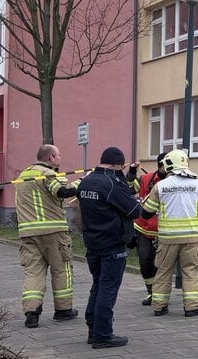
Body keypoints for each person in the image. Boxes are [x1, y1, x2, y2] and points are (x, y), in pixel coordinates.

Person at [77, 147, 143, 348]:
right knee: (108, 288)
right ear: (118, 165)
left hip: (92, 242)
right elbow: (134, 210)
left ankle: (93, 330)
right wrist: (135, 200)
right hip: (112, 243)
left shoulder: (86, 181)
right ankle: (103, 334)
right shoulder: (111, 183)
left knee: (97, 286)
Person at [140, 149, 198, 317]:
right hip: (191, 238)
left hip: (168, 239)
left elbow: (146, 213)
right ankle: (192, 307)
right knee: (190, 271)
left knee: (163, 271)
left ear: (169, 164)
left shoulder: (161, 186)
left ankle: (159, 307)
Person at [16, 144, 81, 328]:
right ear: (51, 158)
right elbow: (63, 192)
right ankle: (63, 310)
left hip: (28, 233)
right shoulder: (48, 174)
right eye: (58, 154)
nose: (60, 157)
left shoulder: (23, 175)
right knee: (61, 269)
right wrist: (81, 182)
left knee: (33, 272)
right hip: (53, 232)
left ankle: (32, 314)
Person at [126, 152, 167, 305]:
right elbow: (130, 188)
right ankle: (151, 292)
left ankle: (161, 293)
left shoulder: (173, 182)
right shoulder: (146, 178)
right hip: (143, 228)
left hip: (164, 230)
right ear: (160, 164)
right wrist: (131, 172)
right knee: (145, 261)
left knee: (162, 264)